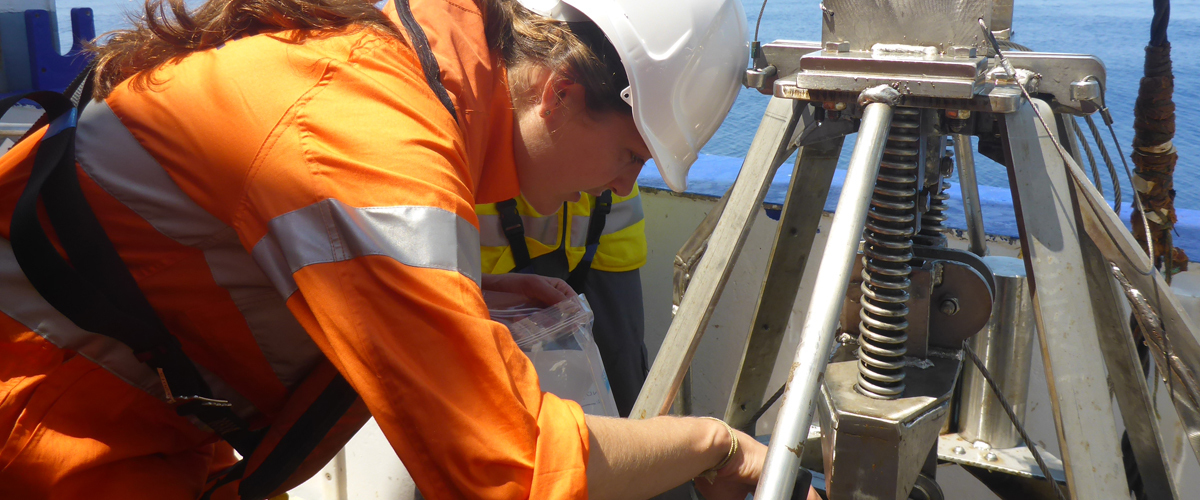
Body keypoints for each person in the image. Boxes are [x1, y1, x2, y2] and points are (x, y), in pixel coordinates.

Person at [0, 0, 823, 498]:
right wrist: (716, 441)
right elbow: (509, 470)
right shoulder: (371, 142)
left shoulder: (409, 77)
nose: (618, 191)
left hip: (130, 414)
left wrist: (472, 307)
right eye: (631, 157)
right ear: (561, 95)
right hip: (46, 420)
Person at [477, 186, 649, 417]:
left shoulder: (620, 184)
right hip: (495, 249)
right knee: (506, 391)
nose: (627, 182)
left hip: (608, 227)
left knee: (623, 379)